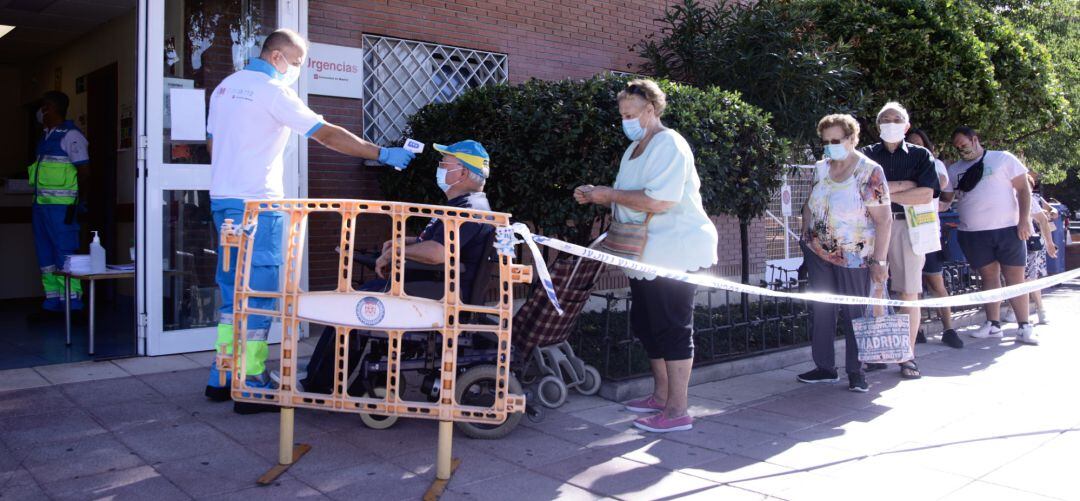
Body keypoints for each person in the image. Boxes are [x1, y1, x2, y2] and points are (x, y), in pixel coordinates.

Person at [203, 29, 416, 413]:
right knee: (261, 294)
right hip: (258, 207)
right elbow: (327, 135)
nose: (298, 70)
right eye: (298, 63)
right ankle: (250, 383)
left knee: (231, 291)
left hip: (223, 201)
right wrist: (380, 152)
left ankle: (221, 376)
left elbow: (213, 145)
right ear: (278, 57)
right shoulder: (272, 92)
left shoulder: (225, 88)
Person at [574, 79, 718, 433]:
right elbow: (631, 195)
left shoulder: (669, 143)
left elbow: (659, 200)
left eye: (631, 114)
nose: (625, 120)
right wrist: (601, 194)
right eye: (622, 114)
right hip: (646, 251)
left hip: (676, 249)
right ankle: (661, 396)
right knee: (646, 323)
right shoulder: (634, 148)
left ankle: (678, 411)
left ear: (651, 110)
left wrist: (606, 194)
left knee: (672, 326)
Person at [300, 140, 495, 394]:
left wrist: (397, 252)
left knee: (349, 307)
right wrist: (403, 242)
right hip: (429, 290)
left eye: (444, 163)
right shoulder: (465, 205)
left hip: (433, 297)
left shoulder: (468, 210)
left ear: (463, 172)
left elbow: (439, 252)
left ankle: (318, 384)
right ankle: (323, 375)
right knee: (354, 298)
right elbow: (432, 242)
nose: (439, 168)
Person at [796, 114, 892, 393]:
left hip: (855, 256)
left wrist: (880, 261)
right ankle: (825, 367)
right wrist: (805, 231)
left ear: (852, 139)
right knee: (822, 309)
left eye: (835, 140)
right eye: (825, 142)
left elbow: (884, 220)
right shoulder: (821, 168)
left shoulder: (869, 171)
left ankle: (856, 371)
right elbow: (811, 203)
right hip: (818, 252)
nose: (829, 146)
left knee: (854, 313)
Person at [859, 102, 940, 379]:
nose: (891, 123)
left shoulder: (920, 155)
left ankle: (908, 356)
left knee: (910, 292)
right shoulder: (866, 155)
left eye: (896, 119)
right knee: (876, 289)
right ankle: (878, 353)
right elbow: (860, 192)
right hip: (872, 228)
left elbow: (926, 195)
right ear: (878, 125)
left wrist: (884, 194)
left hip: (908, 226)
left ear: (906, 126)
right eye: (885, 119)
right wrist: (906, 185)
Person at [944, 127, 1038, 344]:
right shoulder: (955, 169)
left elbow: (1024, 189)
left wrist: (1024, 220)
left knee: (1015, 277)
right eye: (957, 147)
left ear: (975, 139)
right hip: (974, 231)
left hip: (1008, 228)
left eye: (964, 144)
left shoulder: (1003, 158)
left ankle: (1024, 325)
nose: (961, 149)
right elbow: (946, 197)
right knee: (988, 277)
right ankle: (993, 323)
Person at [28, 91, 88, 316]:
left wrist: (77, 202)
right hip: (41, 207)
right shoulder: (45, 137)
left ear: (50, 108)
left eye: (43, 106)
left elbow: (84, 172)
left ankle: (73, 304)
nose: (40, 112)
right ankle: (52, 302)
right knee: (45, 256)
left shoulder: (71, 135)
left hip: (62, 208)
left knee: (65, 255)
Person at [905, 128, 963, 349]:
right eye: (911, 143)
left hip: (927, 232)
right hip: (905, 231)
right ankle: (916, 330)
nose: (916, 147)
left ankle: (949, 328)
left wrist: (942, 204)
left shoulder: (935, 164)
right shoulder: (900, 164)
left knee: (936, 282)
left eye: (920, 143)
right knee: (911, 286)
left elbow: (936, 185)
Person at [1022, 174, 1057, 324]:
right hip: (1013, 241)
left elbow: (1048, 214)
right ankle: (1013, 310)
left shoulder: (1033, 199)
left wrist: (1049, 243)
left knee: (1030, 278)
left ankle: (1040, 309)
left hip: (1031, 242)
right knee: (1015, 279)